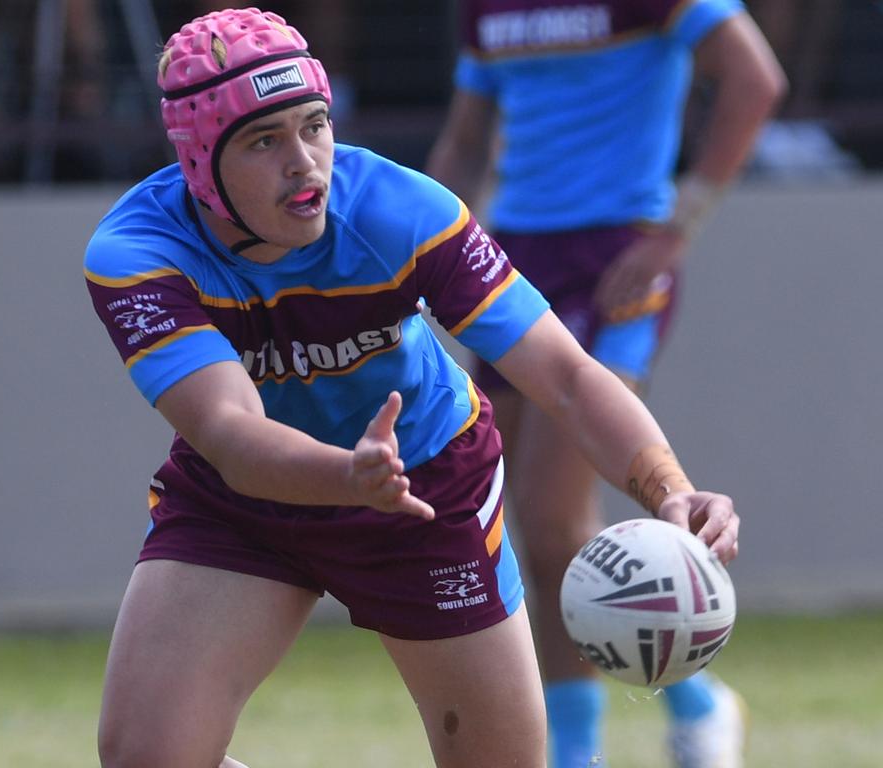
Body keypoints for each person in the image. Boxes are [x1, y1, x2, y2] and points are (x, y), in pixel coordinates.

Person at [84, 8, 740, 767]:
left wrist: (668, 489)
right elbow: (231, 435)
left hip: (427, 491)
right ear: (199, 161)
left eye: (314, 125)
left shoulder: (402, 211)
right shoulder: (138, 253)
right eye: (265, 141)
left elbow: (564, 378)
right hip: (246, 502)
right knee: (148, 758)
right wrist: (347, 475)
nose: (305, 163)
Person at [426, 2, 785, 767]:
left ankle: (580, 752)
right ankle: (696, 699)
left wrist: (678, 229)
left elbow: (756, 79)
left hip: (617, 255)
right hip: (511, 260)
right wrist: (417, 255)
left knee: (552, 516)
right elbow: (464, 142)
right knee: (533, 524)